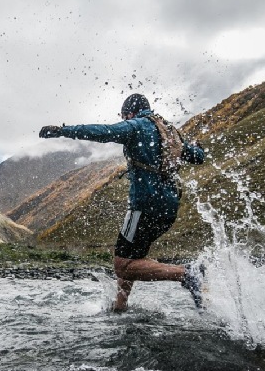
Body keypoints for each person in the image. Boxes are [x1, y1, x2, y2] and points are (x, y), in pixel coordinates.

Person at [39, 93, 206, 312]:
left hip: (144, 206)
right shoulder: (168, 131)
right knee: (132, 257)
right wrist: (198, 147)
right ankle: (120, 305)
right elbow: (197, 156)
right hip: (168, 207)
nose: (123, 119)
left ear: (129, 112)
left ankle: (186, 274)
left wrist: (64, 131)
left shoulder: (136, 126)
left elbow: (102, 132)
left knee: (122, 266)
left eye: (123, 115)